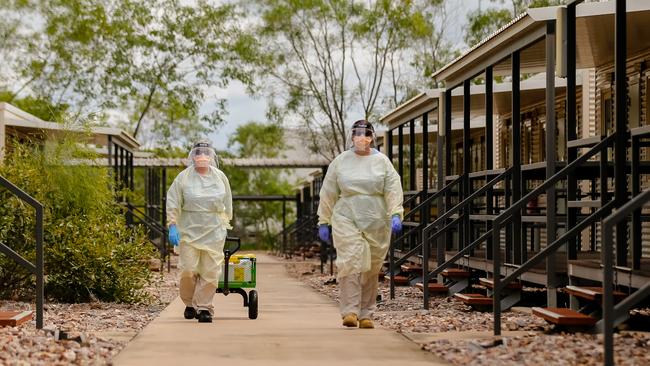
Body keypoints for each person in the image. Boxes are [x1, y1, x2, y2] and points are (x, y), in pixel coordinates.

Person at [317, 120, 404, 329]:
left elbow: (393, 188)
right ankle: (350, 311)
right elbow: (328, 192)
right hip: (347, 216)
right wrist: (323, 220)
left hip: (376, 219)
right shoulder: (341, 162)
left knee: (371, 267)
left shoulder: (382, 162)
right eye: (357, 134)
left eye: (365, 134)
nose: (361, 138)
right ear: (352, 136)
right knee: (351, 261)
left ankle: (367, 313)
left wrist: (396, 213)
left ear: (372, 137)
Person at [166, 141, 233, 323]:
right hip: (189, 229)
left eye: (206, 153)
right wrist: (172, 224)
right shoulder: (183, 178)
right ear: (193, 156)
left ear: (211, 156)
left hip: (214, 229)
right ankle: (189, 303)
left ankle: (204, 308)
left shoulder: (220, 177)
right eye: (199, 153)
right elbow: (173, 200)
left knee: (210, 270)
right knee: (189, 269)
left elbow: (227, 201)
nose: (202, 157)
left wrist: (226, 221)